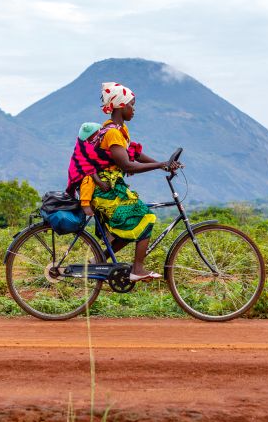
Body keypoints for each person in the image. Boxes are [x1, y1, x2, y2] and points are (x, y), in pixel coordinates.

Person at [65, 82, 181, 281]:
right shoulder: (112, 133)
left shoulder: (119, 132)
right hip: (105, 191)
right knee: (146, 218)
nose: (133, 109)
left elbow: (135, 154)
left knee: (128, 228)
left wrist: (164, 165)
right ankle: (138, 269)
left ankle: (97, 260)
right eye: (131, 105)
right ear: (120, 106)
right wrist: (160, 164)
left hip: (112, 189)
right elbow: (128, 165)